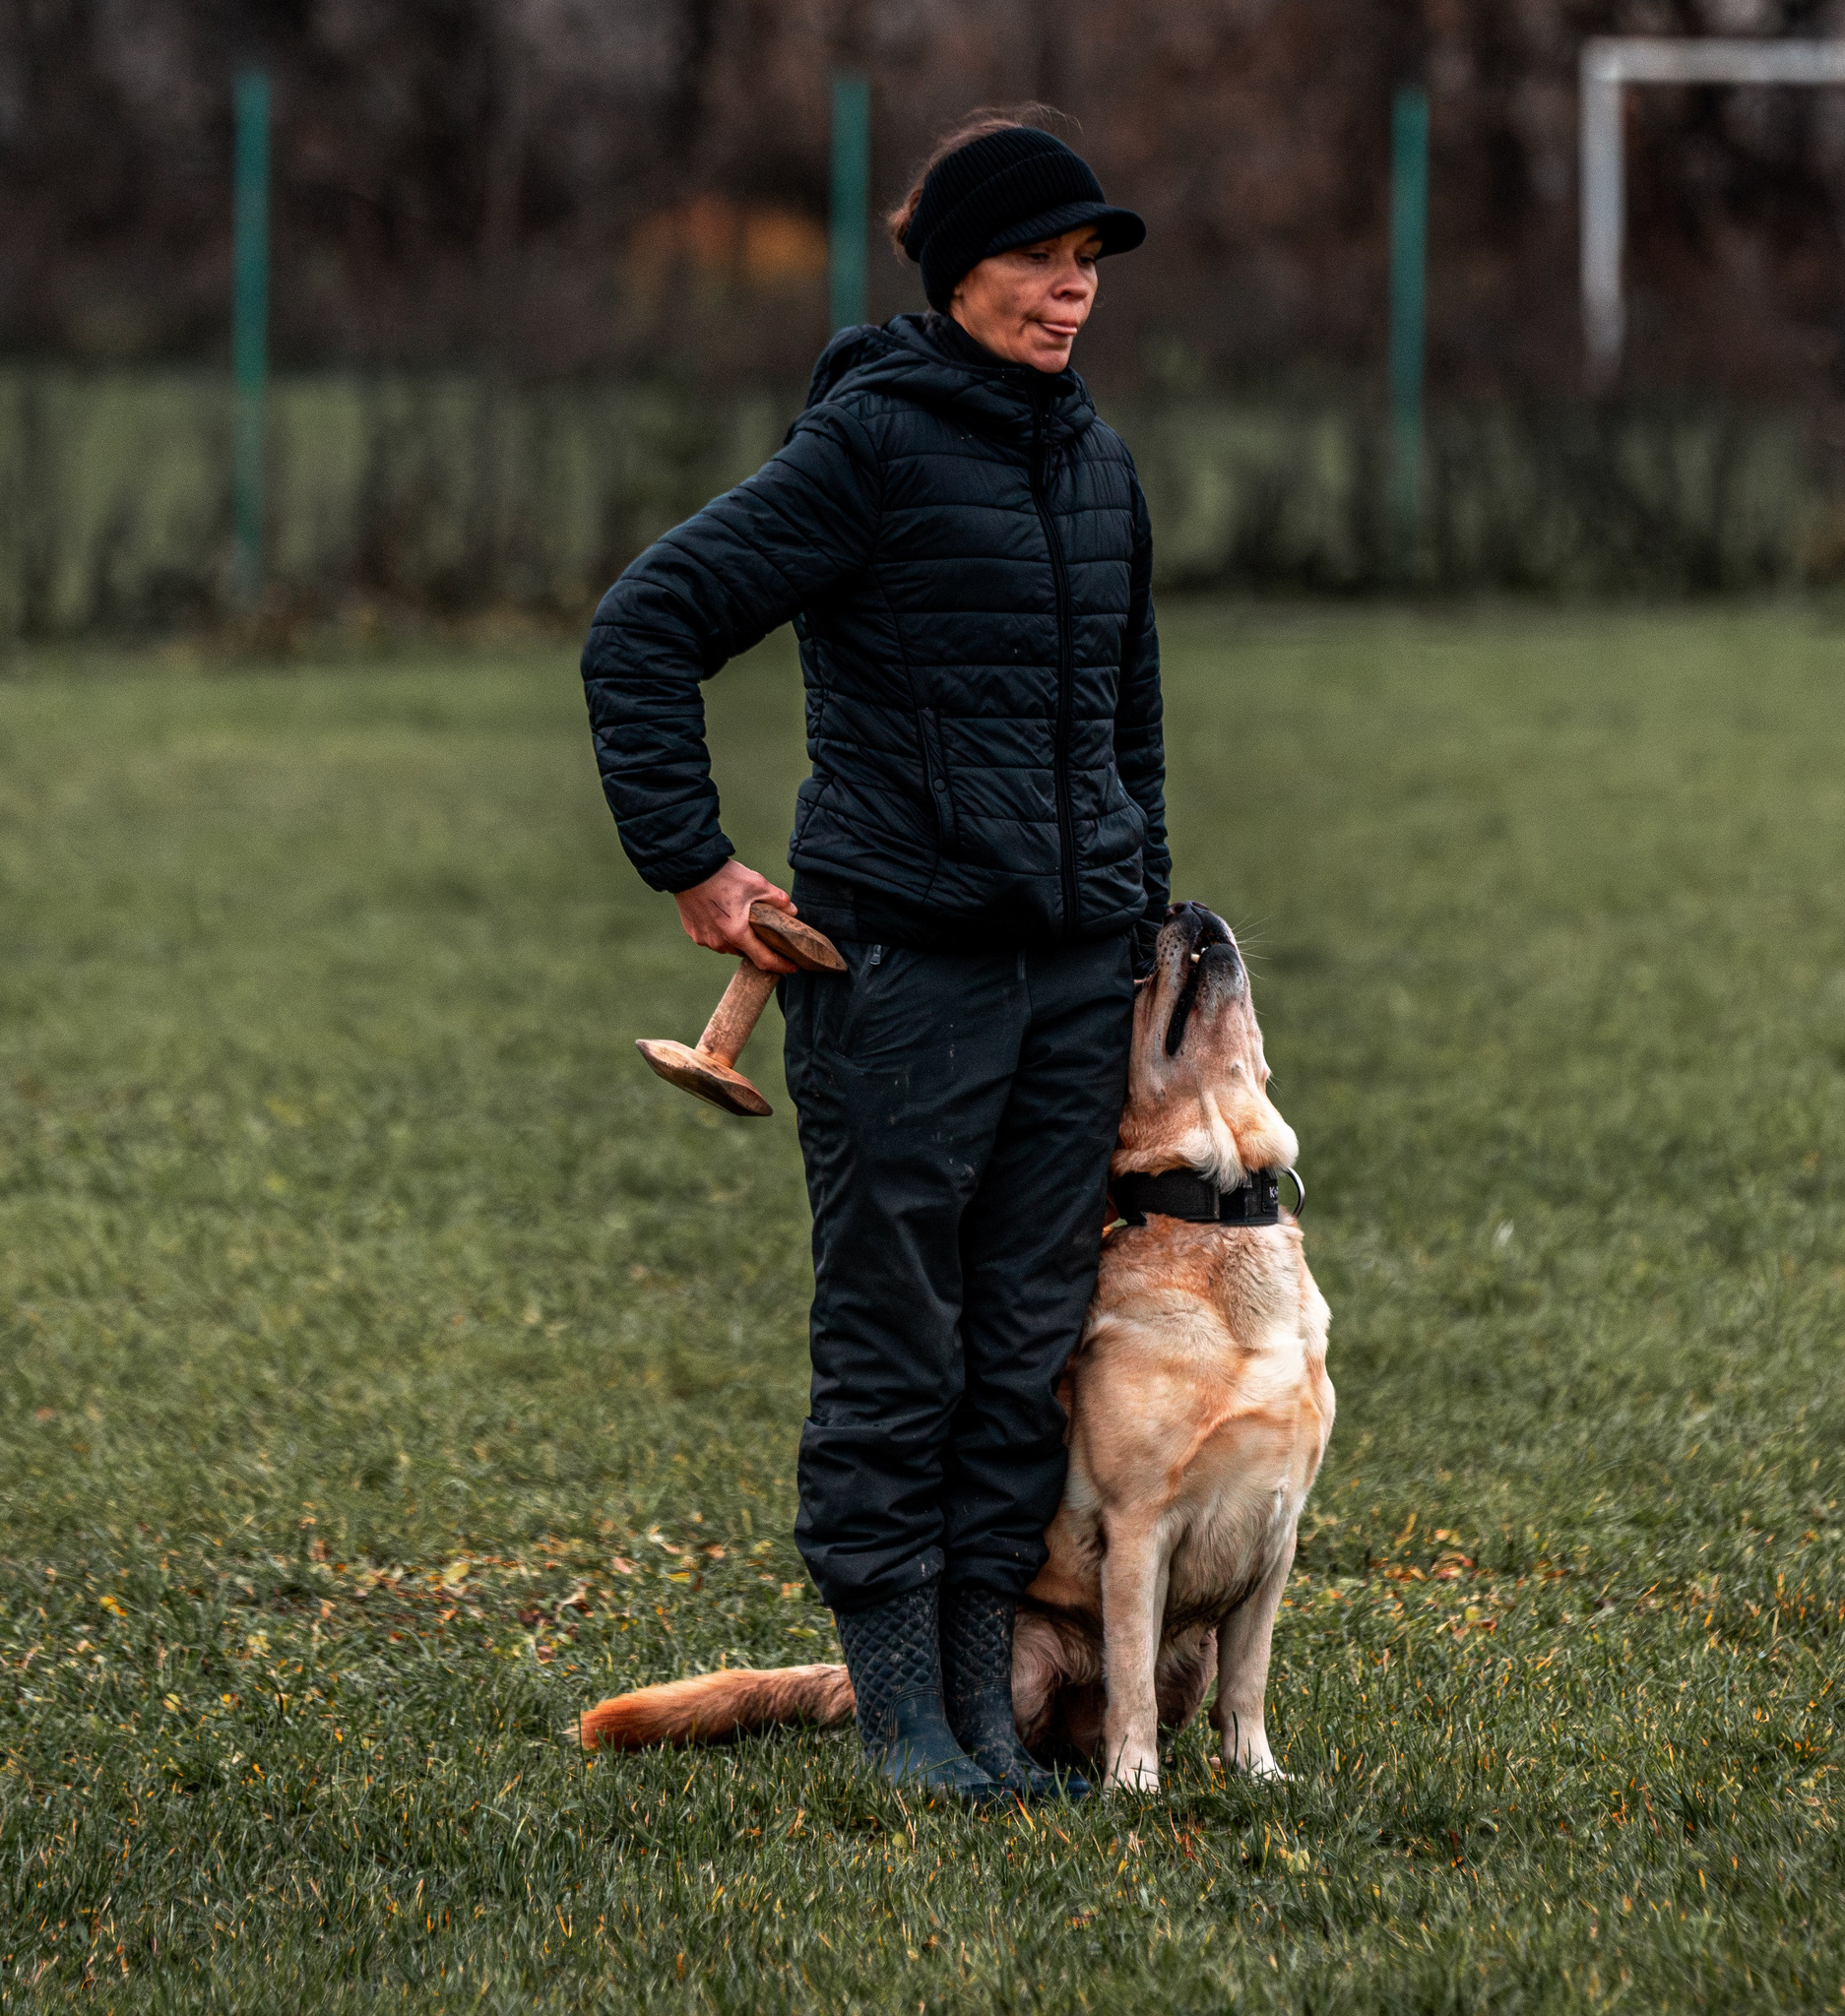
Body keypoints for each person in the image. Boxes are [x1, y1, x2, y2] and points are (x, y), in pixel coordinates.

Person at [580, 114, 1164, 1805]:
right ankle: (904, 1717)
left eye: (1088, 263)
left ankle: (981, 1708)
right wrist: (693, 864)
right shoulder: (870, 446)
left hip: (1073, 979)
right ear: (959, 270)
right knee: (903, 1344)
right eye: (1042, 258)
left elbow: (1129, 729)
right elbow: (644, 630)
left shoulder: (1099, 462)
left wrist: (1136, 923)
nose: (1073, 289)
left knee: (1024, 1351)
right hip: (902, 975)